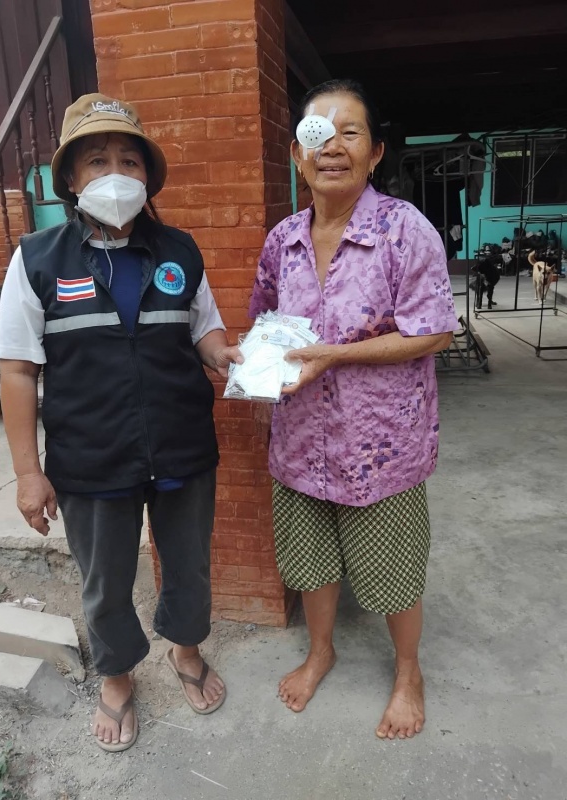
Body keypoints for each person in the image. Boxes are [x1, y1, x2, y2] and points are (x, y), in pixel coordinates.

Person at [0, 94, 241, 752]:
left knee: (188, 565)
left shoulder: (179, 251)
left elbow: (206, 330)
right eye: (97, 161)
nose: (114, 173)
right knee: (104, 579)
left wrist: (226, 355)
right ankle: (118, 674)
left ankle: (186, 650)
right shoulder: (38, 259)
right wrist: (28, 473)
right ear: (70, 178)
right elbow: (17, 370)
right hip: (91, 455)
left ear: (148, 176)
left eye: (129, 160)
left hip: (181, 445)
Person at [249, 79, 459, 740]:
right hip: (299, 441)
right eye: (318, 134)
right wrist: (247, 364)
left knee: (393, 569)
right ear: (297, 154)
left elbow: (434, 331)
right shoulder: (282, 240)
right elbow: (266, 325)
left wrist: (334, 355)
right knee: (310, 561)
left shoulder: (404, 231)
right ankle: (321, 652)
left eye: (351, 133)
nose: (332, 147)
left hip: (380, 448)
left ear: (375, 153)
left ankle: (408, 673)